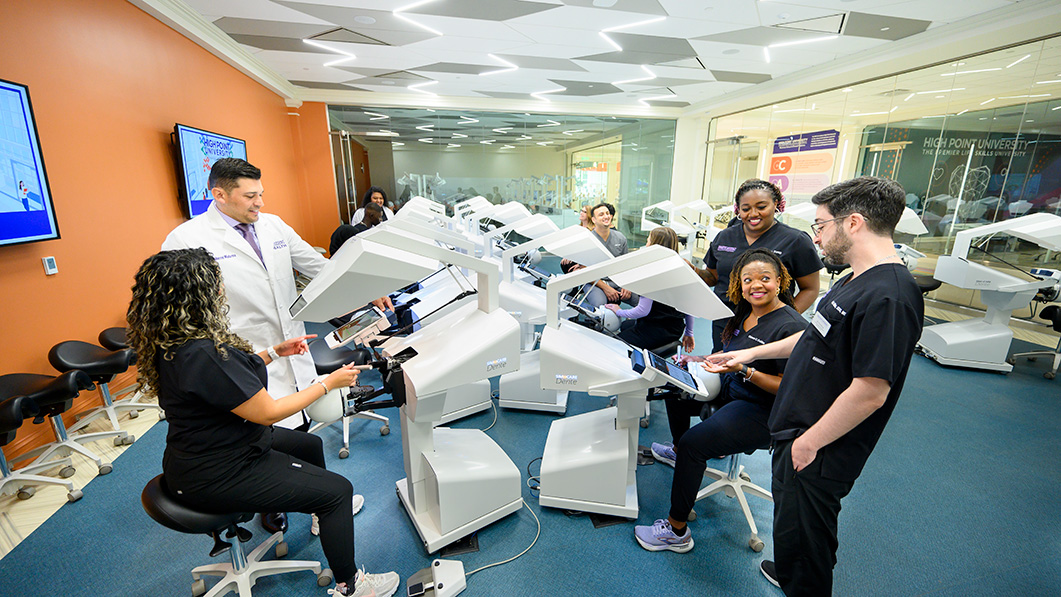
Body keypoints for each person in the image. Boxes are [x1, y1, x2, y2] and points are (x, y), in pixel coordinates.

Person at [127, 248, 399, 597]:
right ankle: (351, 586)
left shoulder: (175, 343)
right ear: (199, 295)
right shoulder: (204, 353)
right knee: (337, 492)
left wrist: (273, 353)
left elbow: (223, 378)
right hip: (221, 471)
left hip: (197, 457)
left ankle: (321, 517)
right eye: (216, 283)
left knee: (309, 444)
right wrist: (326, 384)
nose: (222, 289)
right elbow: (269, 412)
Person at [705, 176, 924, 595]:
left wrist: (810, 443)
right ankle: (788, 571)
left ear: (854, 223)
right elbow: (811, 336)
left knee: (811, 535)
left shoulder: (889, 296)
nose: (817, 237)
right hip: (796, 425)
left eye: (821, 225)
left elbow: (871, 390)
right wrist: (747, 354)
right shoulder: (853, 278)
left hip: (821, 441)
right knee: (790, 518)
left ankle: (803, 583)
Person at [634, 248, 806, 553]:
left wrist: (745, 370)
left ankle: (676, 531)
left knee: (695, 444)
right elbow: (729, 354)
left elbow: (787, 388)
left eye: (765, 278)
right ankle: (678, 451)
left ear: (779, 281)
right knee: (675, 391)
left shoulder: (790, 326)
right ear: (740, 284)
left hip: (761, 409)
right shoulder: (746, 312)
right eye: (748, 279)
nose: (757, 285)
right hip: (731, 390)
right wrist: (698, 359)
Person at [696, 179, 823, 352]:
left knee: (756, 375)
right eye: (746, 209)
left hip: (768, 329)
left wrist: (781, 320)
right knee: (722, 369)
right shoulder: (724, 237)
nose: (753, 214)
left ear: (776, 205)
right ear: (738, 209)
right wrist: (691, 270)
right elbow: (713, 277)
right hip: (725, 322)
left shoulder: (795, 241)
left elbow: (810, 289)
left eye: (761, 207)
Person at [605, 227, 695, 352]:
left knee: (612, 344)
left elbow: (642, 311)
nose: (646, 244)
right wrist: (689, 332)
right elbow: (689, 307)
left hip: (656, 329)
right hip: (675, 328)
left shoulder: (653, 271)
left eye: (648, 241)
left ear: (654, 245)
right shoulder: (683, 267)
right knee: (626, 325)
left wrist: (619, 311)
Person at [584, 202, 633, 307]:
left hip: (618, 281)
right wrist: (606, 288)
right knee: (600, 306)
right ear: (594, 220)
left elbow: (626, 266)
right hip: (595, 282)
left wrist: (627, 285)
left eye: (607, 213)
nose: (606, 216)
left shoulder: (620, 237)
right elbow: (584, 271)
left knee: (640, 300)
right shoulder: (588, 240)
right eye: (601, 215)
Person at [559, 203, 597, 274]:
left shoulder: (593, 231)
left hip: (585, 258)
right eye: (581, 211)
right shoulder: (579, 228)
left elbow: (588, 251)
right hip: (578, 255)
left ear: (589, 215)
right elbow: (575, 246)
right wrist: (569, 256)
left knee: (570, 267)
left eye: (584, 212)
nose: (581, 213)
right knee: (563, 263)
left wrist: (580, 265)